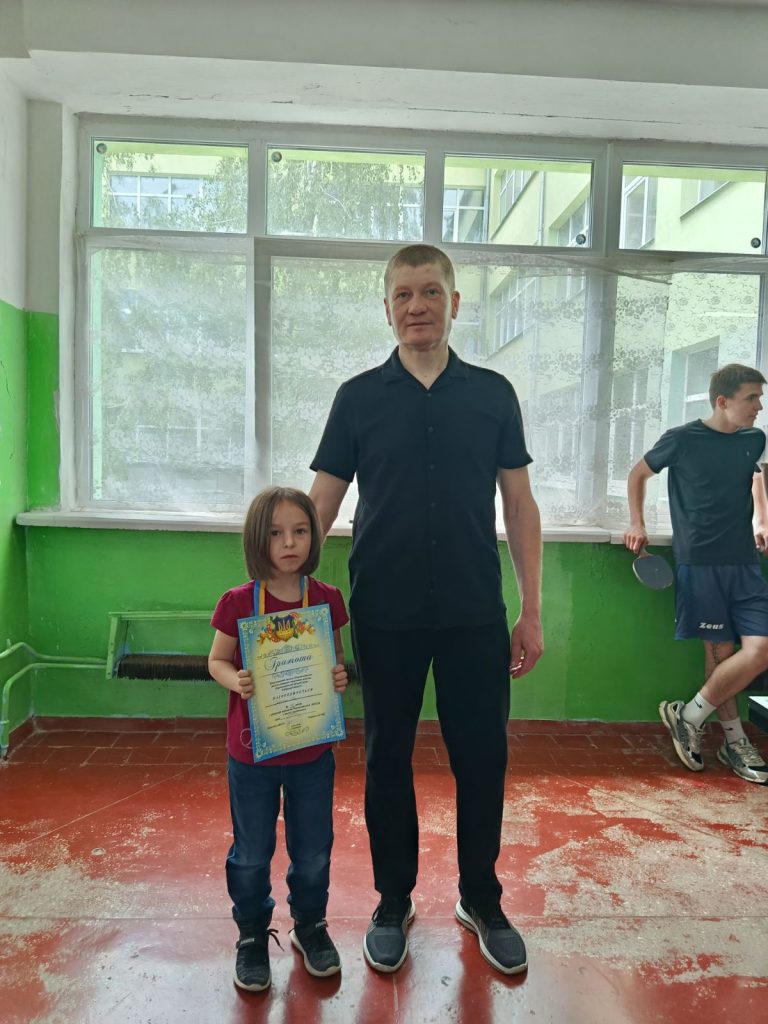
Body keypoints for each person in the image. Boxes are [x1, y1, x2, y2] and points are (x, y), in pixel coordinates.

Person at [309, 244, 543, 977]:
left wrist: (532, 611)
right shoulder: (356, 398)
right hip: (384, 612)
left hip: (475, 612)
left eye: (431, 292)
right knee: (386, 759)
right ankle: (392, 900)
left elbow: (520, 504)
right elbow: (321, 503)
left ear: (454, 303)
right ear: (386, 308)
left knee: (483, 757)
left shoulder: (494, 394)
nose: (418, 306)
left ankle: (481, 898)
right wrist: (276, 597)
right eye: (404, 294)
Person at [208, 486, 349, 992]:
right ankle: (251, 934)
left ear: (313, 536)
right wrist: (236, 680)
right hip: (252, 756)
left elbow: (332, 660)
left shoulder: (326, 599)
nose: (289, 542)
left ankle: (309, 925)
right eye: (275, 533)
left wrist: (338, 677)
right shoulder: (237, 602)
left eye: (300, 531)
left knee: (313, 850)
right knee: (251, 851)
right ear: (256, 539)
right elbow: (216, 660)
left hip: (312, 751)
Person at [624, 363, 768, 786]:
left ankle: (688, 716)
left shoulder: (754, 439)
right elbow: (638, 474)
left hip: (745, 562)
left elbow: (756, 474)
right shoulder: (682, 438)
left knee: (760, 650)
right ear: (722, 401)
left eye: (760, 398)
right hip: (700, 561)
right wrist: (637, 523)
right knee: (719, 653)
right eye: (751, 398)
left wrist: (762, 517)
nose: (759, 407)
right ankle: (735, 741)